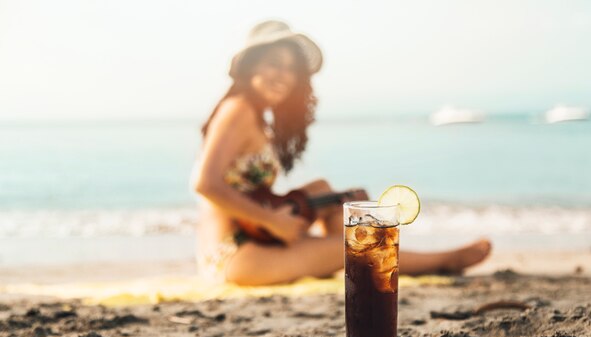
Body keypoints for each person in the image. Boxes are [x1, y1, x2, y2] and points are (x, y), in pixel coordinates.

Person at [192, 20, 491, 285]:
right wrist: (273, 222)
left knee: (322, 190)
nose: (283, 75)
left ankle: (354, 264)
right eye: (273, 63)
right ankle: (436, 261)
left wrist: (276, 221)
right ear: (250, 67)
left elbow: (251, 193)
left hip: (255, 238)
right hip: (231, 255)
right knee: (347, 248)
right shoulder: (238, 109)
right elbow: (205, 184)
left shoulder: (254, 115)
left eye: (291, 69)